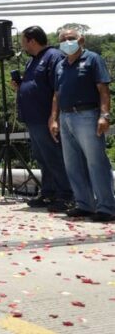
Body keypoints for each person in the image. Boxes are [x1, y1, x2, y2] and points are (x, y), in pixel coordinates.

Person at [49, 27, 114, 222]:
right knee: (72, 164)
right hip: (65, 116)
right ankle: (84, 204)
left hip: (87, 114)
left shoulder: (93, 59)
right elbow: (56, 94)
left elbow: (103, 90)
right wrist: (53, 118)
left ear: (81, 40)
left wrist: (105, 115)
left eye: (71, 38)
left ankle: (107, 207)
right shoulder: (60, 65)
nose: (67, 41)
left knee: (96, 162)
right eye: (63, 39)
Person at [12, 26, 72, 212]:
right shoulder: (32, 60)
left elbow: (57, 88)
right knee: (42, 157)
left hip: (45, 117)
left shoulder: (54, 56)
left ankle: (66, 195)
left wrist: (54, 117)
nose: (22, 45)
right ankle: (48, 192)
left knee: (54, 156)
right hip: (33, 118)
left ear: (32, 40)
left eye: (23, 41)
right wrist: (21, 86)